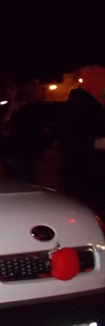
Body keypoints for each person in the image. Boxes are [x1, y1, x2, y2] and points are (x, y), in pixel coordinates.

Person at [56, 65, 105, 218]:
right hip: (85, 172)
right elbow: (74, 139)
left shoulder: (95, 103)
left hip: (89, 171)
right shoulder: (81, 106)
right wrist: (96, 142)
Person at [0, 85, 45, 184]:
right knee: (31, 182)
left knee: (19, 183)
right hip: (32, 155)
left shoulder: (20, 115)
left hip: (19, 156)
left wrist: (10, 112)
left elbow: (7, 129)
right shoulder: (36, 111)